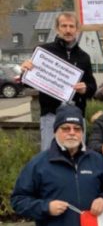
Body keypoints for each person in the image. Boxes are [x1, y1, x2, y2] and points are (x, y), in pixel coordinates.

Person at [19, 12, 97, 151]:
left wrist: (85, 89)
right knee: (49, 156)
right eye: (64, 26)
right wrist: (25, 71)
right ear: (57, 28)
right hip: (51, 114)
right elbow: (27, 82)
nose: (68, 30)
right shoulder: (43, 52)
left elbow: (92, 87)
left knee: (76, 156)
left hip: (76, 113)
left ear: (77, 30)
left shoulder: (84, 57)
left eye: (71, 26)